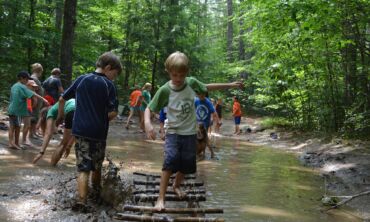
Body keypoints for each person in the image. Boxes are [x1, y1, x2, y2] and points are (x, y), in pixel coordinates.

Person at [144, 51, 243, 210]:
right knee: (169, 162)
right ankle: (160, 199)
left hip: (190, 133)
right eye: (174, 75)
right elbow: (149, 108)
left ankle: (176, 185)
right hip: (173, 133)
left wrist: (230, 85)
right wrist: (148, 125)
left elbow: (208, 86)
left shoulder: (191, 83)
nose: (178, 79)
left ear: (186, 73)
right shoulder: (165, 90)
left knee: (187, 164)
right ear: (168, 72)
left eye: (181, 75)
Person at [56, 51, 122, 207]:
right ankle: (97, 193)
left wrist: (60, 116)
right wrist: (101, 119)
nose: (114, 77)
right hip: (99, 132)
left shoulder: (81, 79)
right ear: (108, 67)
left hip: (81, 131)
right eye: (115, 73)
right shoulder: (109, 85)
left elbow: (61, 98)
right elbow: (113, 112)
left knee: (83, 167)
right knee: (96, 166)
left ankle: (82, 200)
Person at [8, 71, 49, 150]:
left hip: (11, 109)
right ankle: (16, 144)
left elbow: (11, 98)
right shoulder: (22, 87)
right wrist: (44, 99)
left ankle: (10, 143)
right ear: (22, 78)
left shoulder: (14, 86)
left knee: (12, 127)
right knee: (17, 127)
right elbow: (33, 94)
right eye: (26, 79)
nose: (27, 81)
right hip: (18, 111)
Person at [32, 99, 76, 165]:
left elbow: (48, 133)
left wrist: (41, 152)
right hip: (81, 109)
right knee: (69, 142)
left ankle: (52, 167)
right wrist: (69, 145)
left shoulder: (51, 111)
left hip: (71, 110)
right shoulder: (57, 107)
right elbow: (75, 132)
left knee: (63, 144)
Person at [194, 94, 219, 158]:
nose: (200, 96)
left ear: (204, 95)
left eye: (202, 95)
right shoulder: (196, 100)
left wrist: (217, 121)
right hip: (197, 124)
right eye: (199, 95)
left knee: (205, 140)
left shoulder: (208, 102)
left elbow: (214, 112)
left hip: (205, 124)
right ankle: (199, 153)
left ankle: (206, 153)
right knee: (197, 139)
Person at [30, 63, 45, 138]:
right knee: (33, 116)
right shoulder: (33, 78)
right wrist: (35, 100)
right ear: (39, 70)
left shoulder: (34, 78)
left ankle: (34, 132)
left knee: (36, 116)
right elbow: (32, 90)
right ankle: (31, 133)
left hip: (38, 100)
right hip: (35, 100)